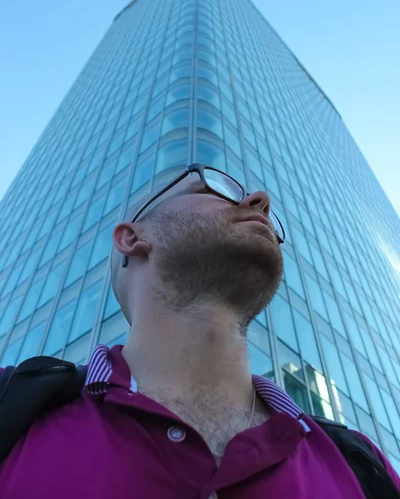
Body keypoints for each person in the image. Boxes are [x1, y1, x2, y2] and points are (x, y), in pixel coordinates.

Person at [0, 163, 399, 498]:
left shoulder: (362, 464)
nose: (260, 199)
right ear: (132, 237)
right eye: (219, 188)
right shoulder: (14, 406)